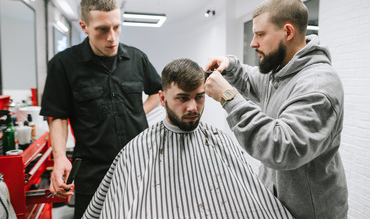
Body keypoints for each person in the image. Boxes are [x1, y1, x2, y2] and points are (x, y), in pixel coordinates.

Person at [82, 58, 293, 219]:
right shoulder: (136, 150)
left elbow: (253, 201)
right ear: (163, 99)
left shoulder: (220, 141)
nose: (193, 107)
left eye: (199, 97)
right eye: (182, 98)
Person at [204, 0, 348, 219]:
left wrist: (228, 97)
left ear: (288, 32)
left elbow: (282, 147)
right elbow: (253, 78)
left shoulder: (318, 86)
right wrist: (230, 65)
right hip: (276, 208)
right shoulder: (281, 72)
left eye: (260, 34)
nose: (253, 43)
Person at [40, 0, 162, 218]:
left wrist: (138, 112)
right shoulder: (64, 64)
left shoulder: (137, 59)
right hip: (93, 172)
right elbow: (57, 115)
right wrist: (59, 159)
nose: (112, 37)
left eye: (117, 27)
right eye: (102, 30)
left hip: (139, 166)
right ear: (84, 27)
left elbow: (158, 92)